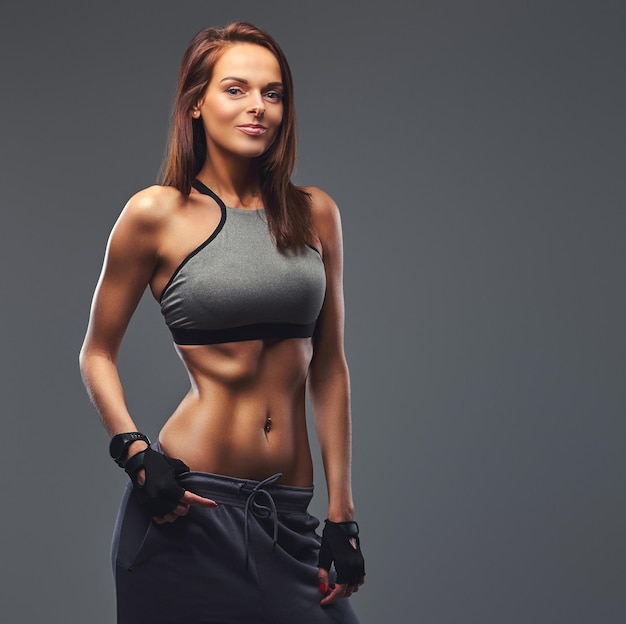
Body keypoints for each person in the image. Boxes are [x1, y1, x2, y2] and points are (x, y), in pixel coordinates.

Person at [79, 21, 365, 624]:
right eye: (236, 89)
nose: (257, 107)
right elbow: (97, 353)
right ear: (196, 104)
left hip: (288, 514)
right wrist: (134, 454)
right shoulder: (157, 213)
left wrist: (342, 511)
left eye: (273, 92)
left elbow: (330, 364)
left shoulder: (316, 214)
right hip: (188, 512)